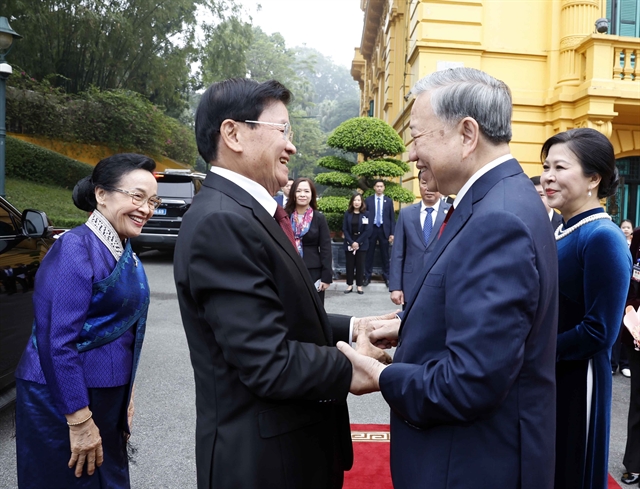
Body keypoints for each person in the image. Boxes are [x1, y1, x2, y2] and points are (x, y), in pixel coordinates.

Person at [336, 67, 559, 488]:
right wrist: (406, 326)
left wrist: (381, 375)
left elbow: (470, 381)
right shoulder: (496, 199)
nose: (411, 155)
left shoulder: (499, 219)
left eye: (417, 137)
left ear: (467, 134)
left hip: (470, 465)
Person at [173, 77, 391, 489]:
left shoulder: (247, 211)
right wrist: (351, 365)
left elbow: (281, 313)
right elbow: (267, 360)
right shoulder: (222, 221)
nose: (291, 147)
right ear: (233, 134)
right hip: (265, 464)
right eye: (283, 130)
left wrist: (356, 328)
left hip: (292, 452)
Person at [14, 153, 159, 487]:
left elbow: (126, 332)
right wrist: (79, 420)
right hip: (62, 399)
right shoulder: (75, 248)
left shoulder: (123, 248)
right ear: (101, 194)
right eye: (137, 197)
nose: (146, 209)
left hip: (106, 399)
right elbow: (56, 341)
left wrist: (127, 394)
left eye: (153, 201)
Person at [540, 127, 632, 489]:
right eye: (546, 167)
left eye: (560, 167)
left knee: (570, 471)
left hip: (579, 381)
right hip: (550, 373)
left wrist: (536, 350)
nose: (548, 177)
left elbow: (599, 332)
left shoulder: (602, 237)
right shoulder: (563, 230)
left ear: (594, 178)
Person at [389, 168, 450, 306]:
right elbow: (398, 252)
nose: (429, 188)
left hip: (441, 284)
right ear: (419, 185)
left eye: (434, 183)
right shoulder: (406, 214)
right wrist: (395, 287)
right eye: (424, 183)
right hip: (410, 284)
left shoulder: (452, 213)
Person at [284, 177, 333, 303]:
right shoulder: (284, 216)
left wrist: (326, 277)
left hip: (313, 271)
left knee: (313, 307)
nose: (302, 195)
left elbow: (326, 248)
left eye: (306, 191)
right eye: (298, 191)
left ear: (312, 194)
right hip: (289, 269)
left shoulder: (319, 218)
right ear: (293, 193)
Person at [620, 228, 640, 485]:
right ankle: (635, 462)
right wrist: (631, 311)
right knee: (638, 399)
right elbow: (630, 281)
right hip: (637, 329)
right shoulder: (639, 237)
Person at [364, 179, 395, 287]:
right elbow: (365, 216)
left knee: (385, 255)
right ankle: (367, 276)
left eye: (381, 186)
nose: (379, 188)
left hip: (384, 230)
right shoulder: (368, 200)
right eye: (377, 186)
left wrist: (392, 233)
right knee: (369, 254)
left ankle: (387, 277)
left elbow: (392, 218)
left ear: (384, 188)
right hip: (371, 229)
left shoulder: (388, 201)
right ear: (374, 187)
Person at [613, 219, 634, 377]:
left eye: (628, 227)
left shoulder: (635, 245)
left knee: (629, 329)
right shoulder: (616, 242)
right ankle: (612, 364)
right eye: (623, 227)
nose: (626, 229)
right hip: (618, 290)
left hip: (632, 293)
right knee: (616, 328)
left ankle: (625, 363)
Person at [342, 193, 371, 295]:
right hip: (349, 241)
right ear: (352, 202)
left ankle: (359, 286)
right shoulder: (347, 214)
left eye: (359, 200)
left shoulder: (366, 214)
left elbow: (367, 230)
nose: (356, 202)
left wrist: (358, 242)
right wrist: (351, 242)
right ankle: (349, 285)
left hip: (362, 242)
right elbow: (345, 229)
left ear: (362, 202)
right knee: (349, 265)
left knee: (360, 265)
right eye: (355, 200)